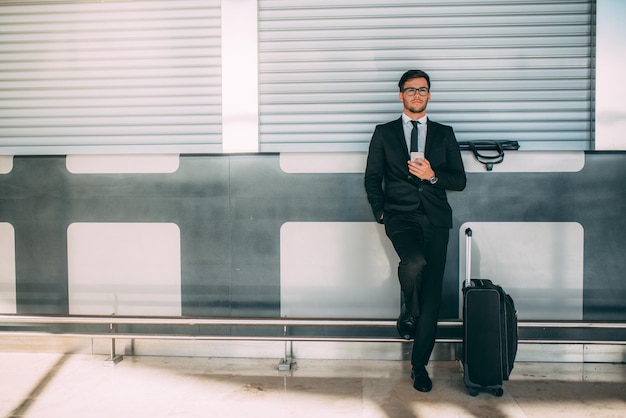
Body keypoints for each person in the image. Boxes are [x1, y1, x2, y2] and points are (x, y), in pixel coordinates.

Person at [364, 69, 467, 392]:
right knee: (414, 262)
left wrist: (433, 175)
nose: (417, 95)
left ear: (429, 95)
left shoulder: (444, 133)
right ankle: (409, 306)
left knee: (433, 294)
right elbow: (372, 177)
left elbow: (460, 181)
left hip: (436, 219)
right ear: (401, 95)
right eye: (411, 90)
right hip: (400, 216)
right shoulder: (384, 133)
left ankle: (419, 366)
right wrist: (380, 210)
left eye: (423, 90)